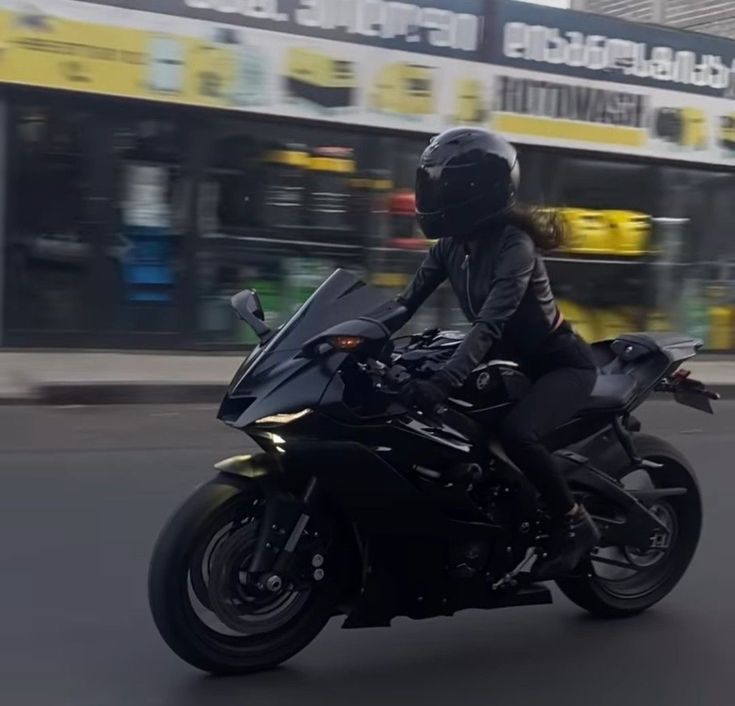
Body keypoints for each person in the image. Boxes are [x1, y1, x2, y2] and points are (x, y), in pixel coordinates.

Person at [393, 127, 600, 580]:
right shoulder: (452, 245)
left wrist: (444, 380)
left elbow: (491, 324)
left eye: (442, 185)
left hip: (558, 363)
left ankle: (574, 522)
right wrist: (351, 337)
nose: (432, 194)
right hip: (505, 365)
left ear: (475, 190)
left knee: (518, 434)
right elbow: (405, 302)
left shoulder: (514, 246)